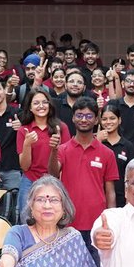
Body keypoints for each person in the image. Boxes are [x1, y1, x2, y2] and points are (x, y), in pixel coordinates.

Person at [50, 96, 117, 243]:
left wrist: (111, 219)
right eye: (79, 115)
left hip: (97, 222)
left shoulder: (107, 153)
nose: (84, 120)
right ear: (73, 118)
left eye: (89, 116)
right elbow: (53, 174)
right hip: (68, 220)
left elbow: (110, 191)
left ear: (96, 119)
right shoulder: (62, 149)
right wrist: (53, 151)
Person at [16, 87, 63, 215]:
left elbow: (65, 162)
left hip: (54, 181)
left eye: (44, 102)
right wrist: (27, 144)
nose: (41, 106)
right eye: (36, 103)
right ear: (30, 108)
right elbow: (24, 166)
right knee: (26, 217)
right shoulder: (24, 130)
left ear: (50, 105)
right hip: (30, 180)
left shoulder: (60, 128)